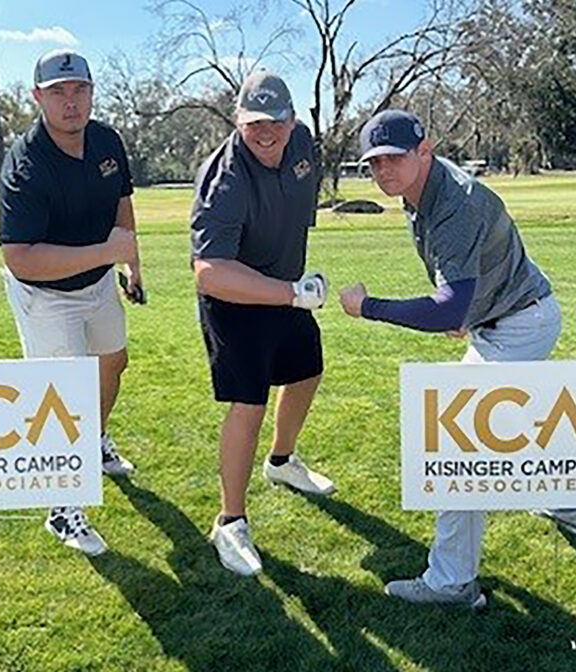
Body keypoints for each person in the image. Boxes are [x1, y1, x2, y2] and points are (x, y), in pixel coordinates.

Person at [338, 110, 576, 607]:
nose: (383, 170)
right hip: (514, 314)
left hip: (518, 324)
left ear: (425, 150)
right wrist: (465, 310)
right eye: (374, 162)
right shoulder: (423, 191)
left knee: (458, 443)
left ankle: (452, 582)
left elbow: (448, 306)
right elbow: (459, 289)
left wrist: (368, 307)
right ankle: (574, 509)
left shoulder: (452, 205)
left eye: (394, 157)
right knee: (503, 426)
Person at [0, 49, 142, 557]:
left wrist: (131, 265)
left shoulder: (106, 140)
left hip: (99, 282)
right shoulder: (25, 164)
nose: (70, 102)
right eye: (57, 92)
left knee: (113, 362)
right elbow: (20, 259)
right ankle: (62, 510)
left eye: (79, 89)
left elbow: (122, 205)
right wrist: (108, 251)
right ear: (37, 98)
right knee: (60, 397)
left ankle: (95, 442)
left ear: (91, 93)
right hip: (46, 295)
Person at [190, 71, 336, 576]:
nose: (266, 132)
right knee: (247, 405)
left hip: (285, 288)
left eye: (276, 121)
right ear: (238, 121)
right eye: (254, 124)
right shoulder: (224, 177)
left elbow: (296, 211)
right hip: (235, 298)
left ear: (293, 120)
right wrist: (291, 293)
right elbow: (209, 272)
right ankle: (230, 522)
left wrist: (291, 287)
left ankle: (281, 463)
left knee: (306, 372)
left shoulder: (302, 145)